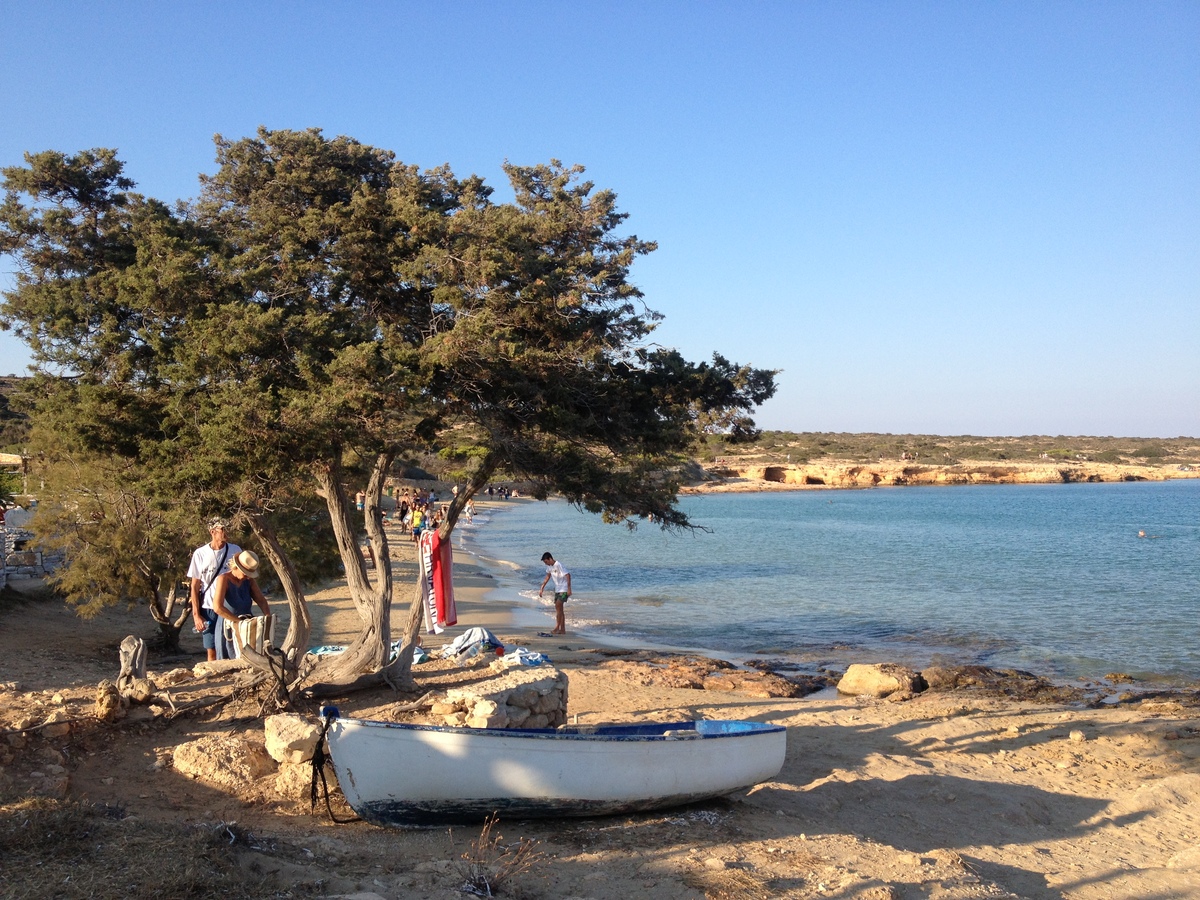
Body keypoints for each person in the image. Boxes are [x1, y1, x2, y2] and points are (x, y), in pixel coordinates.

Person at [188, 517, 241, 662]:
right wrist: (196, 615)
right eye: (222, 529)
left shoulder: (235, 550)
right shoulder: (200, 554)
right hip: (209, 608)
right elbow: (194, 586)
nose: (226, 532)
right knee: (211, 649)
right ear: (212, 532)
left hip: (229, 607)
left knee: (233, 645)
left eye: (227, 528)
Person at [211, 550, 271, 660]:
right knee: (229, 658)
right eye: (245, 573)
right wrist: (238, 622)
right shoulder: (223, 579)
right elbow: (217, 607)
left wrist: (268, 617)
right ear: (236, 567)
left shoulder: (249, 581)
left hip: (247, 624)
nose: (247, 577)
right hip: (228, 625)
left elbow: (261, 600)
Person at [538, 552, 572, 635]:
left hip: (563, 589)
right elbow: (548, 576)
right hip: (557, 590)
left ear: (550, 559)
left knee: (558, 606)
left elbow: (568, 575)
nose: (546, 563)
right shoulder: (549, 567)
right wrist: (542, 587)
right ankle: (562, 629)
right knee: (559, 609)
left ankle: (557, 627)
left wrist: (569, 589)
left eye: (546, 561)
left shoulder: (558, 564)